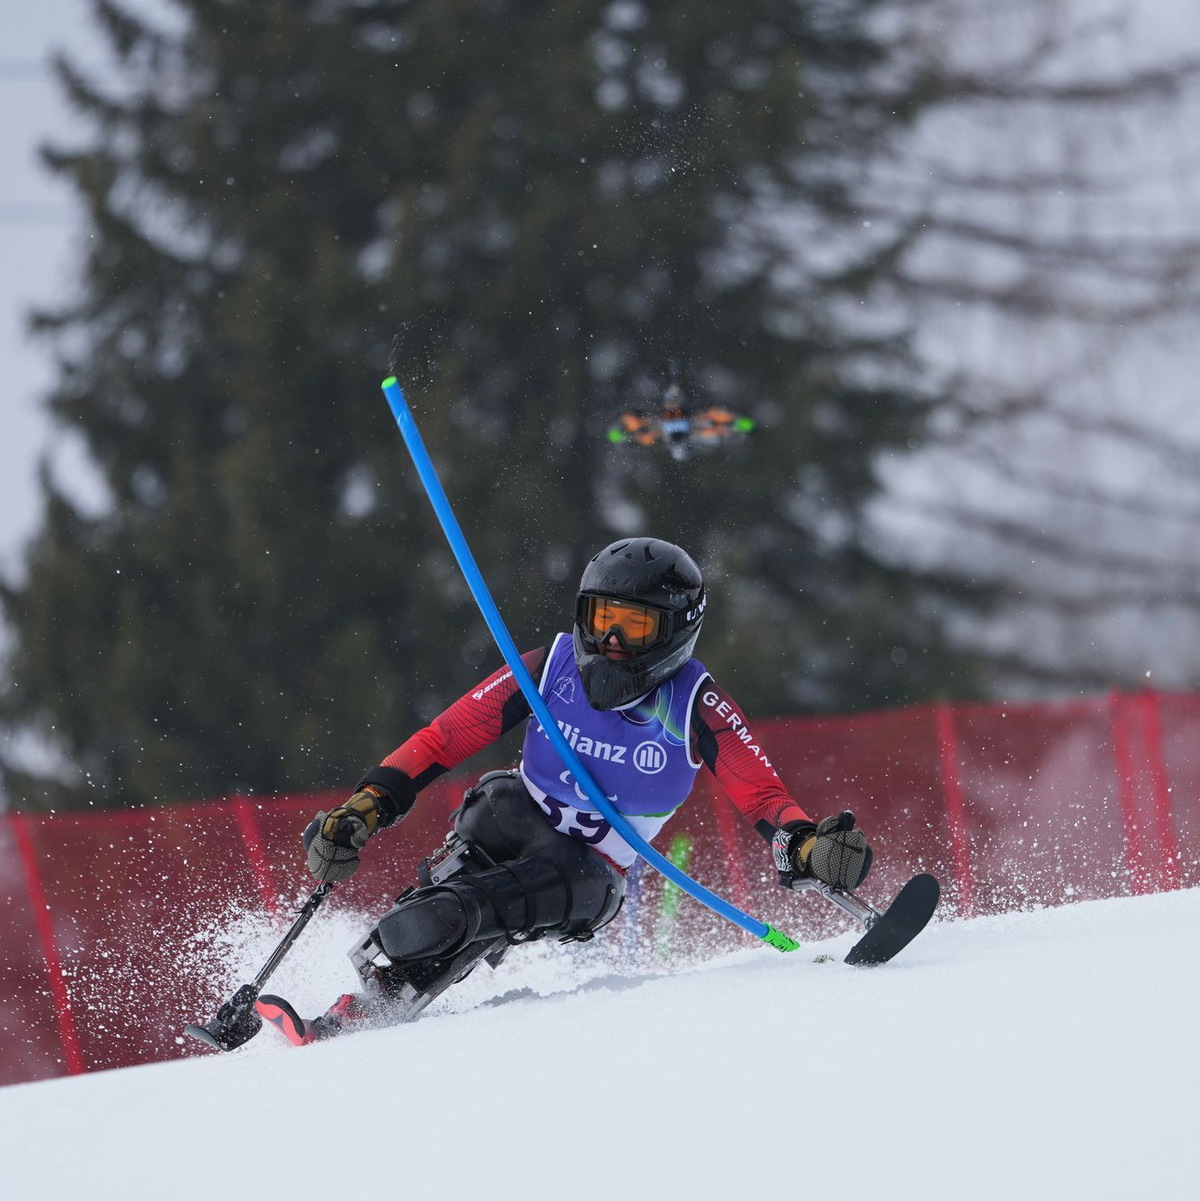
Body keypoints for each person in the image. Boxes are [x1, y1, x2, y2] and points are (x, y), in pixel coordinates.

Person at [255, 537, 872, 1045]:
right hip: (510, 816)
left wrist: (810, 846)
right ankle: (363, 1007)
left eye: (633, 628)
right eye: (602, 621)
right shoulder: (549, 667)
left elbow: (762, 795)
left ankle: (414, 954)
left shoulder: (694, 704)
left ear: (676, 631)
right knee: (446, 891)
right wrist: (366, 806)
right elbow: (445, 737)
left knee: (464, 914)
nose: (610, 645)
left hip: (588, 872)